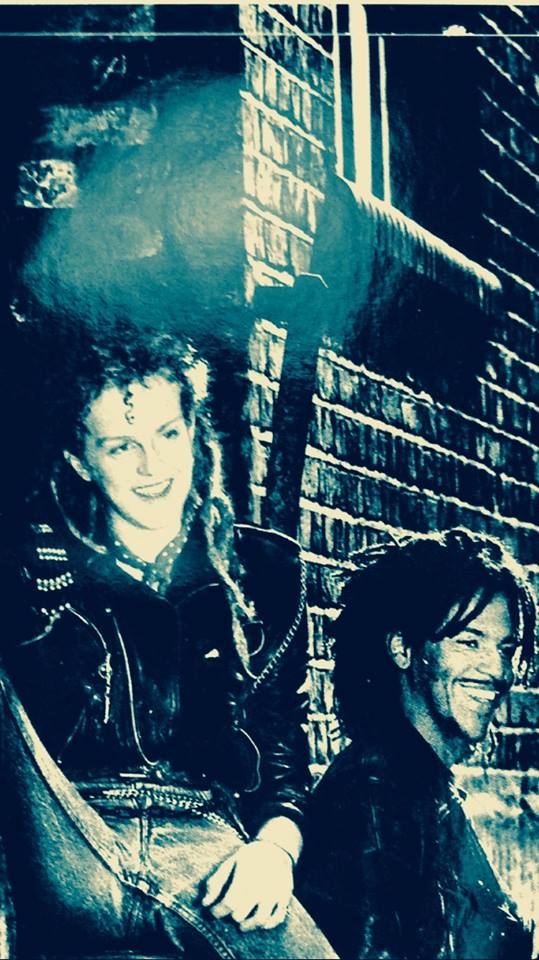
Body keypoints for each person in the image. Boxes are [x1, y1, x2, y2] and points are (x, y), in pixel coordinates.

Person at [0, 324, 336, 960]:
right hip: (67, 829)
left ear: (195, 433)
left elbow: (284, 761)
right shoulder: (27, 566)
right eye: (121, 446)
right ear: (80, 460)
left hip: (203, 834)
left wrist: (273, 852)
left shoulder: (263, 574)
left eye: (168, 435)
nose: (152, 466)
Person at [298, 528, 536, 960]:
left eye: (505, 649)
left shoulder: (419, 784)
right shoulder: (375, 797)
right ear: (403, 649)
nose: (498, 671)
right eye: (469, 642)